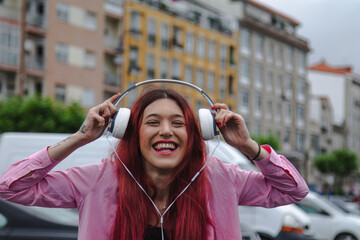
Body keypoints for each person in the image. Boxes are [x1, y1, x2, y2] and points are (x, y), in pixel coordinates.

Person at [0, 88, 309, 240]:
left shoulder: (222, 179)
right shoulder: (96, 180)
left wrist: (248, 147)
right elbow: (11, 188)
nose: (165, 131)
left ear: (194, 133)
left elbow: (292, 191)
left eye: (178, 123)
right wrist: (81, 137)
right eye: (152, 122)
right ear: (131, 132)